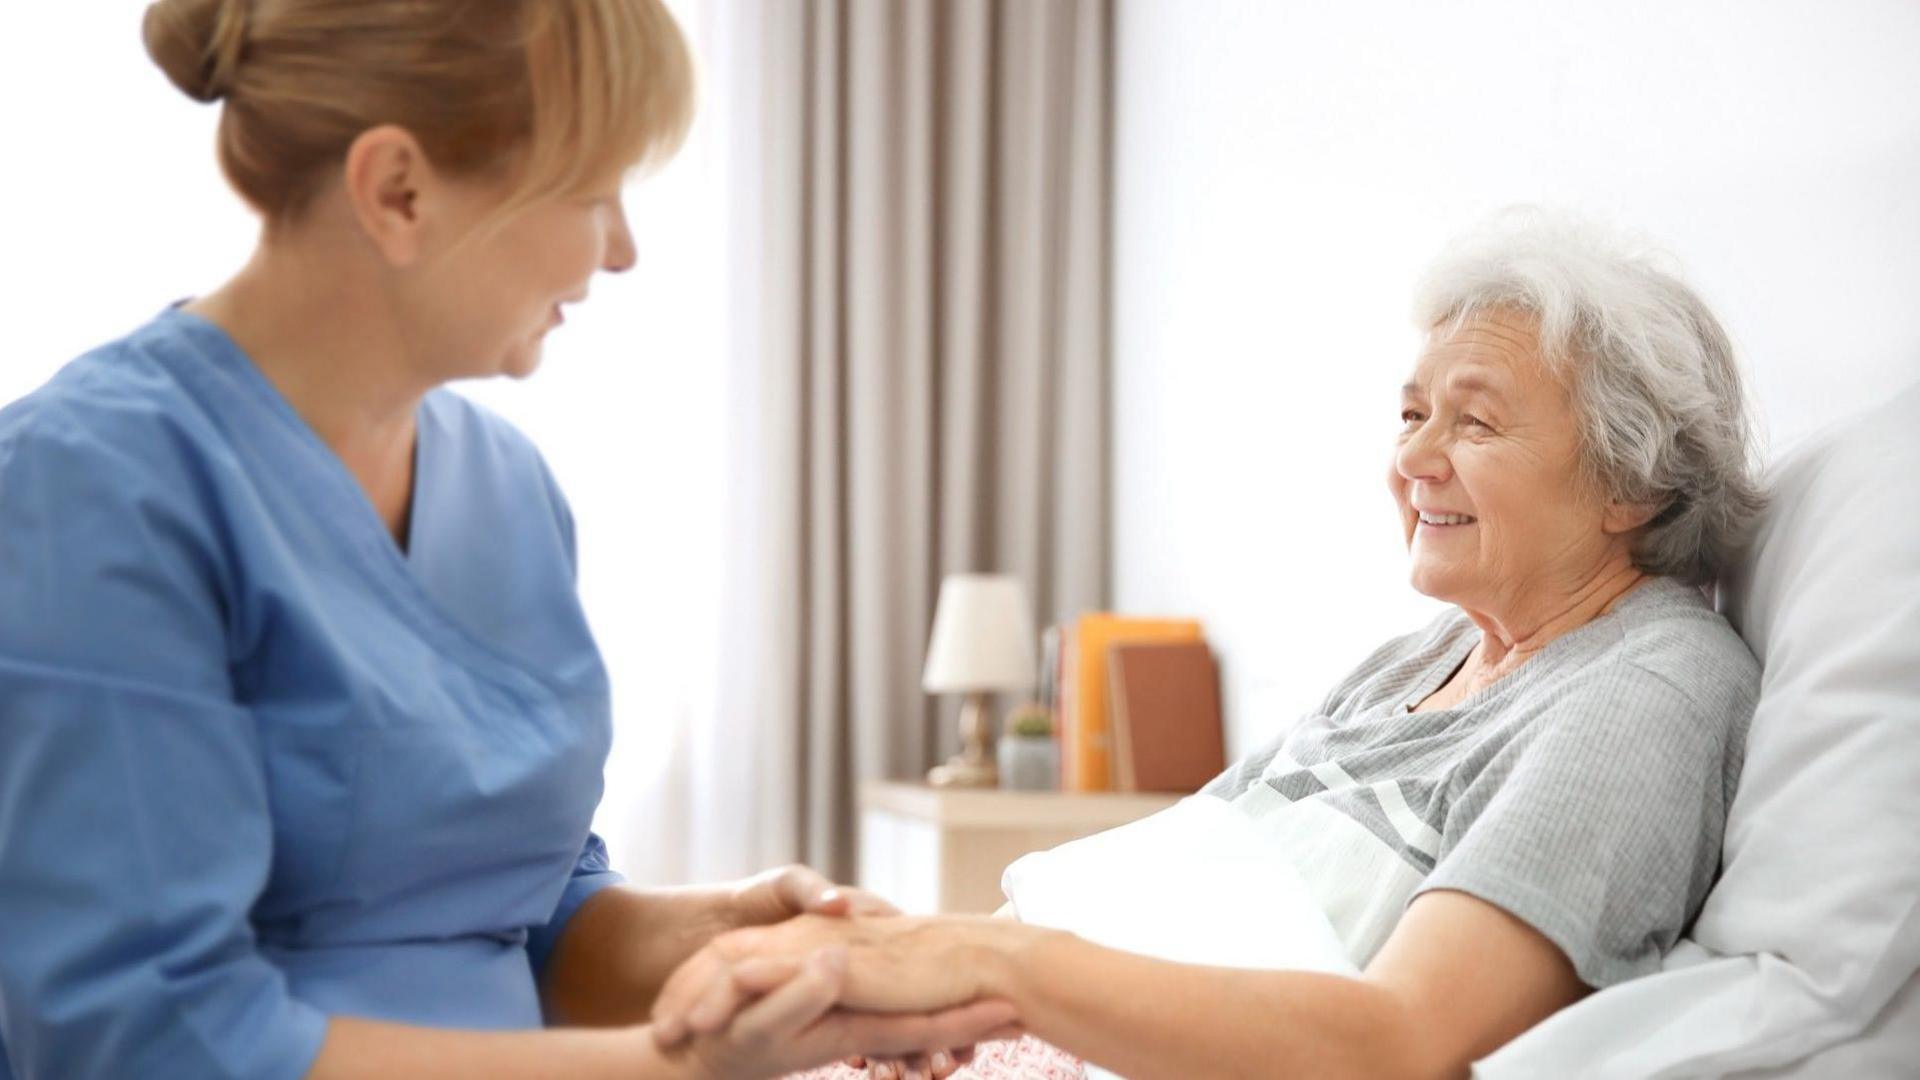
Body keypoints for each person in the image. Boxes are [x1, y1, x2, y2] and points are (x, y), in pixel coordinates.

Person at [0, 2, 1011, 1078]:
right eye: (591, 192)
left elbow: (524, 918)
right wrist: (677, 1070)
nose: (622, 250)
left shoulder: (509, 490)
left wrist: (746, 948)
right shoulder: (90, 487)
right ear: (399, 192)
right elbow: (147, 1041)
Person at [648, 209, 1769, 1079]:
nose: (1414, 458)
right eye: (1410, 413)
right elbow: (1181, 878)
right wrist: (913, 960)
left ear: (1633, 482)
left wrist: (989, 962)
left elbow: (1394, 1043)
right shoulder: (1418, 660)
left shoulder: (1648, 689)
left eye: (1473, 421)